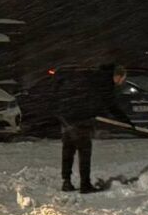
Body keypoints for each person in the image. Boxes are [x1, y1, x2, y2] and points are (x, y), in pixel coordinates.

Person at [54, 64, 131, 193]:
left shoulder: (93, 76)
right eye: (122, 79)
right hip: (80, 117)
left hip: (65, 114)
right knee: (84, 151)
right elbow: (110, 104)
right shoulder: (105, 82)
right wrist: (126, 121)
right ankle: (85, 185)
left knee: (68, 150)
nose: (121, 82)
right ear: (117, 75)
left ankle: (66, 182)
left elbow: (95, 100)